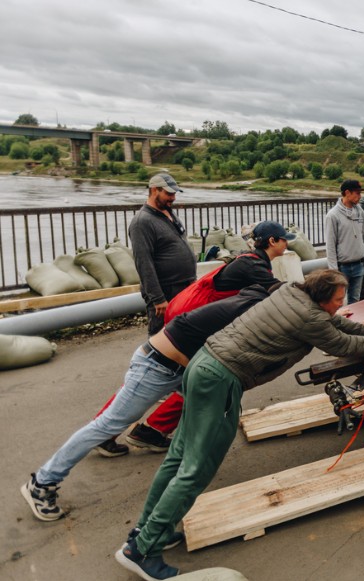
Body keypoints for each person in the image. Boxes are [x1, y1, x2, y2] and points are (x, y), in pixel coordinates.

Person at [116, 269, 364, 580]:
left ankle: (148, 530)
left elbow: (334, 322)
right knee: (196, 468)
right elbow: (339, 344)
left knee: (178, 456)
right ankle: (142, 550)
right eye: (338, 300)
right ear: (322, 298)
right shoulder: (309, 317)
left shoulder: (292, 293)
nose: (341, 304)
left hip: (202, 365)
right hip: (220, 379)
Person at [21, 284, 276, 523]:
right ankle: (42, 482)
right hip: (157, 366)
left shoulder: (256, 298)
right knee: (107, 424)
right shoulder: (254, 308)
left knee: (207, 407)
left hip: (180, 368)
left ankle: (157, 442)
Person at [113, 221, 296, 454]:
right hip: (192, 321)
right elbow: (280, 293)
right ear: (272, 241)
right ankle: (117, 429)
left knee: (180, 380)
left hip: (189, 314)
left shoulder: (252, 259)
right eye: (284, 239)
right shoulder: (255, 265)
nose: (287, 243)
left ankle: (143, 429)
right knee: (199, 379)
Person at [129, 173, 196, 336]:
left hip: (184, 286)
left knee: (185, 333)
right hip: (166, 290)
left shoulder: (168, 213)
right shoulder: (141, 222)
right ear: (154, 190)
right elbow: (144, 263)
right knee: (162, 336)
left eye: (174, 194)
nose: (173, 198)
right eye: (169, 193)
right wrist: (158, 299)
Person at [326, 179, 364, 304]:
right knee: (338, 302)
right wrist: (334, 272)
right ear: (347, 193)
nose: (360, 196)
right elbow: (330, 246)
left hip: (359, 265)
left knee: (355, 301)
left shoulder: (360, 212)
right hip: (342, 268)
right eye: (357, 193)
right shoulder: (333, 215)